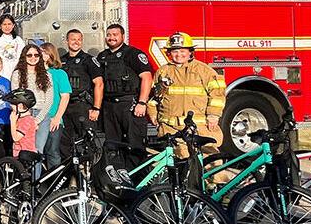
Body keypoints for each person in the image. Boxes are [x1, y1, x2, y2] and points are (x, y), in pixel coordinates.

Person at [148, 32, 226, 180]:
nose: (179, 55)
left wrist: (213, 115)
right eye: (175, 51)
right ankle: (185, 193)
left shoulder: (204, 71)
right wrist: (152, 114)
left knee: (211, 159)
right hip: (170, 128)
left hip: (199, 127)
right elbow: (154, 97)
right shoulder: (163, 71)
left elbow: (217, 94)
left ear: (190, 52)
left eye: (183, 51)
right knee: (179, 163)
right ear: (169, 53)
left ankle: (219, 191)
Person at [97, 24, 154, 163]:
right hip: (110, 107)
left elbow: (147, 77)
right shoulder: (102, 56)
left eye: (115, 34)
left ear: (123, 36)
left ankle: (139, 181)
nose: (111, 38)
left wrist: (142, 103)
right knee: (112, 147)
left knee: (135, 146)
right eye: (109, 35)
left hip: (130, 104)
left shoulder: (134, 54)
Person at [60, 29, 104, 162]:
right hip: (65, 107)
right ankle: (70, 178)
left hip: (83, 107)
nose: (76, 42)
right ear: (66, 41)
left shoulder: (89, 60)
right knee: (65, 144)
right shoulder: (61, 61)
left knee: (87, 144)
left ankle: (88, 177)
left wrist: (96, 108)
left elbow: (99, 84)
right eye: (73, 39)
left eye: (79, 39)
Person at [11, 43, 54, 167]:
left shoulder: (47, 75)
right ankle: (23, 183)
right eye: (29, 55)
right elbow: (15, 98)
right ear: (24, 57)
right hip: (24, 115)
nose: (33, 57)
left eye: (36, 55)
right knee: (22, 150)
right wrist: (25, 116)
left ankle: (35, 183)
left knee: (37, 151)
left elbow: (49, 100)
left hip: (42, 114)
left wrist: (37, 120)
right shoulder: (17, 74)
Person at [41, 42, 71, 168]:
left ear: (49, 55)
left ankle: (54, 183)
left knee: (52, 152)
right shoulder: (34, 73)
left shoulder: (59, 74)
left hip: (53, 118)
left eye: (42, 52)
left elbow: (65, 96)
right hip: (37, 119)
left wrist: (57, 117)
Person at [6, 89, 39, 161]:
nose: (11, 106)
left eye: (13, 104)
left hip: (24, 154)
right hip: (19, 154)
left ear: (20, 106)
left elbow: (16, 138)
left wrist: (12, 121)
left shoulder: (26, 120)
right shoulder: (24, 119)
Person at [0, 14, 23, 81]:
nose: (7, 27)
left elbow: (22, 57)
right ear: (0, 26)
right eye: (4, 24)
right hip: (0, 73)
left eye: (9, 24)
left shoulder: (18, 40)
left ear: (13, 25)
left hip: (15, 73)